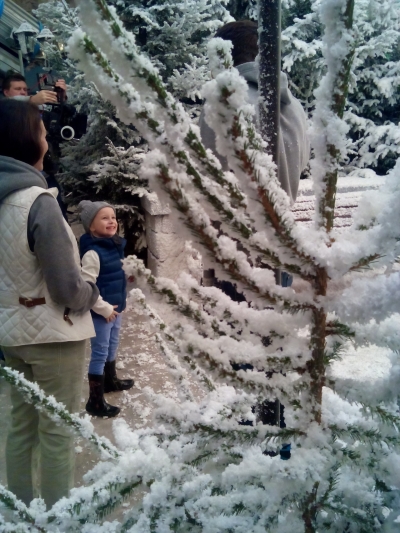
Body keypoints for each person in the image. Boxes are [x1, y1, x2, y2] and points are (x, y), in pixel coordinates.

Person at [0, 99, 99, 508]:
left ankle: (21, 510)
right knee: (57, 430)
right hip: (54, 337)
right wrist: (91, 289)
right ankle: (60, 517)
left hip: (11, 335)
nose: (48, 137)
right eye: (42, 131)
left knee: (21, 426)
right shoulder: (37, 202)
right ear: (29, 142)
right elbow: (67, 289)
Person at [200, 20, 310, 204]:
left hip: (228, 228)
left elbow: (208, 174)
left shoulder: (221, 104)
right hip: (283, 227)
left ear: (220, 60)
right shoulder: (295, 106)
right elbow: (302, 163)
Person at [78, 200, 134, 418]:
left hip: (116, 308)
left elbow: (113, 273)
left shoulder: (114, 244)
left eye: (113, 217)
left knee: (113, 343)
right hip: (101, 312)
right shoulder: (92, 253)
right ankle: (95, 401)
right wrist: (103, 309)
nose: (112, 221)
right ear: (91, 226)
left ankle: (110, 381)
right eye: (104, 218)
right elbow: (87, 286)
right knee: (100, 352)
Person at [2, 71, 67, 106]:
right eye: (18, 89)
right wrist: (32, 100)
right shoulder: (2, 108)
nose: (23, 92)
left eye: (25, 89)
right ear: (6, 92)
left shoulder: (36, 105)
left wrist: (61, 97)